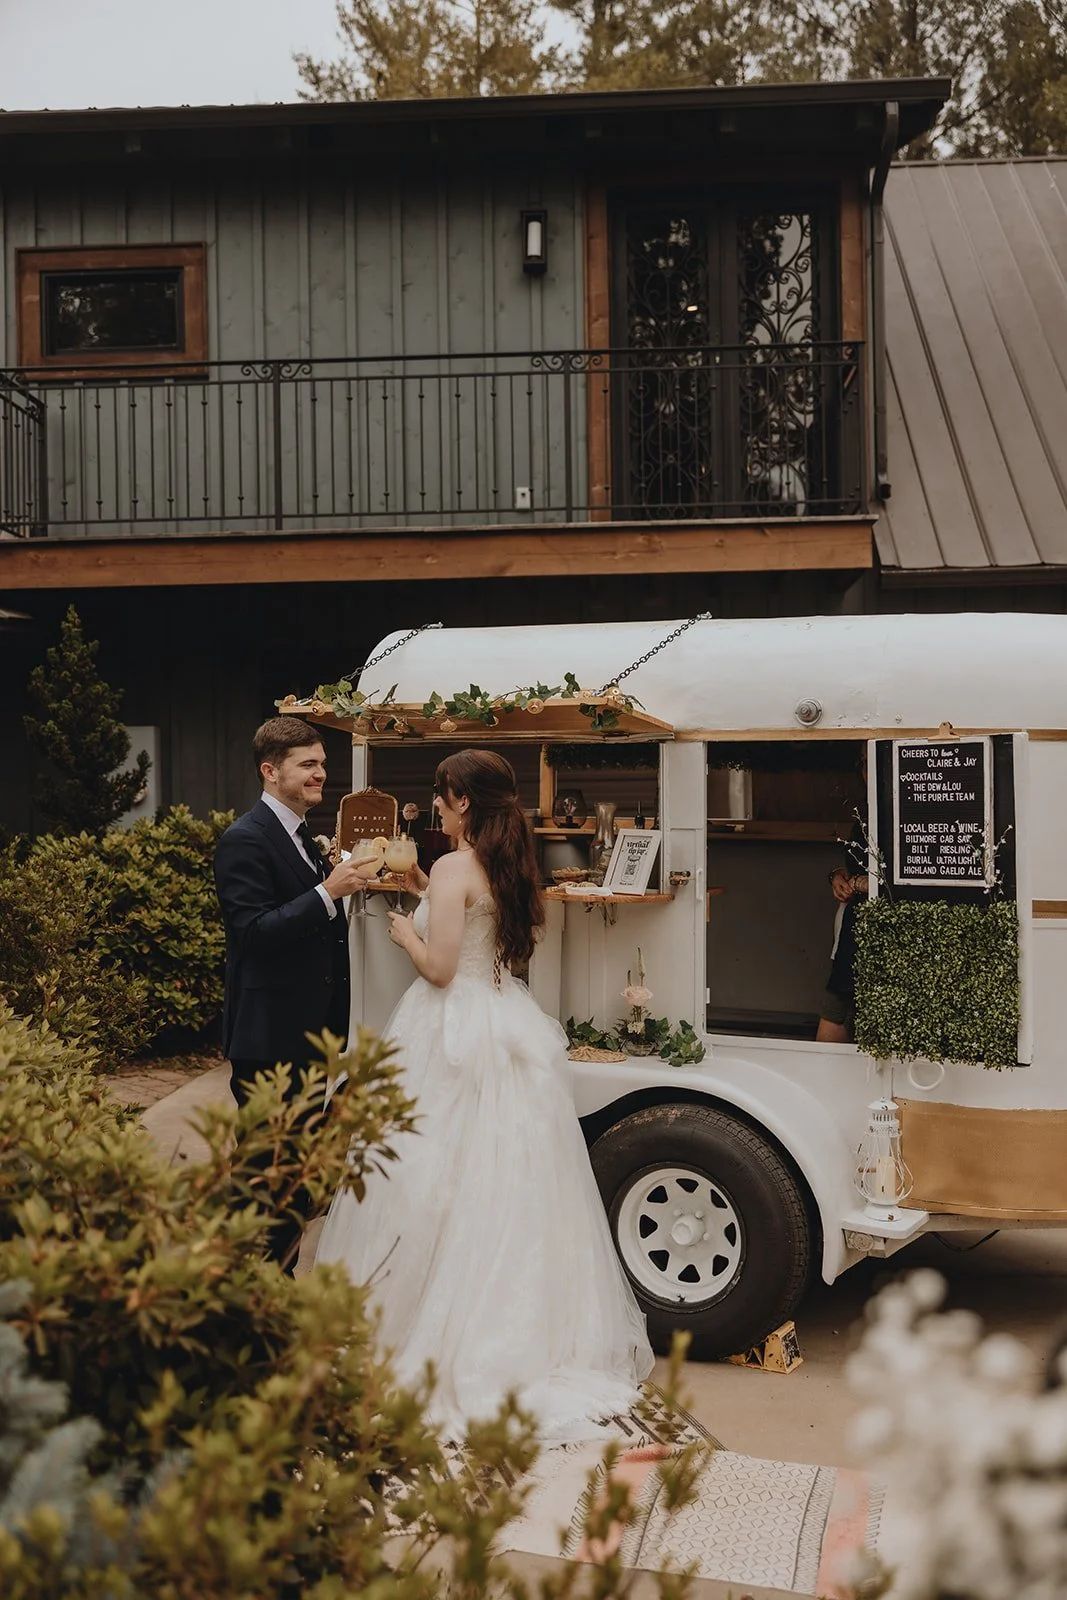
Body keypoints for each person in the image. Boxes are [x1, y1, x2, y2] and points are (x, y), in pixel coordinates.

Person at [316, 748, 654, 1440]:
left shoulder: (450, 867)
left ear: (463, 802)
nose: (435, 806)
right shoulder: (511, 864)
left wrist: (407, 931)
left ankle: (424, 1322)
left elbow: (441, 969)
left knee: (427, 1176)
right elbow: (488, 936)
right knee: (505, 1183)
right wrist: (423, 887)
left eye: (442, 797)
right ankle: (517, 1331)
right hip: (503, 1017)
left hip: (448, 1024)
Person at [214, 715, 368, 1271]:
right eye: (308, 765)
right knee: (264, 1170)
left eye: (322, 764)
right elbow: (253, 932)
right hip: (268, 1036)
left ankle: (275, 1286)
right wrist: (329, 891)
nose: (320, 774)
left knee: (295, 1169)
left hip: (308, 1032)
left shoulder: (304, 835)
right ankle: (249, 1292)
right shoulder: (243, 839)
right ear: (269, 770)